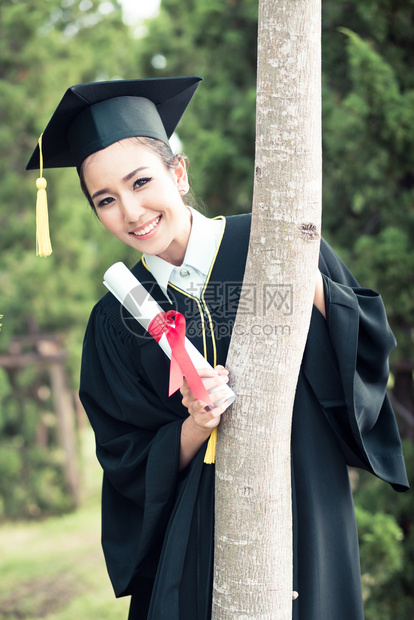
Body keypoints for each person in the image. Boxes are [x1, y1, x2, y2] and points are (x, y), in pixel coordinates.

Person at [27, 76, 409, 620]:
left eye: (141, 182)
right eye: (106, 200)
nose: (131, 212)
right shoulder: (114, 321)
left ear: (177, 173)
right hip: (193, 547)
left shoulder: (272, 244)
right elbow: (125, 456)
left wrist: (298, 269)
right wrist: (194, 425)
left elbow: (364, 348)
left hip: (301, 506)